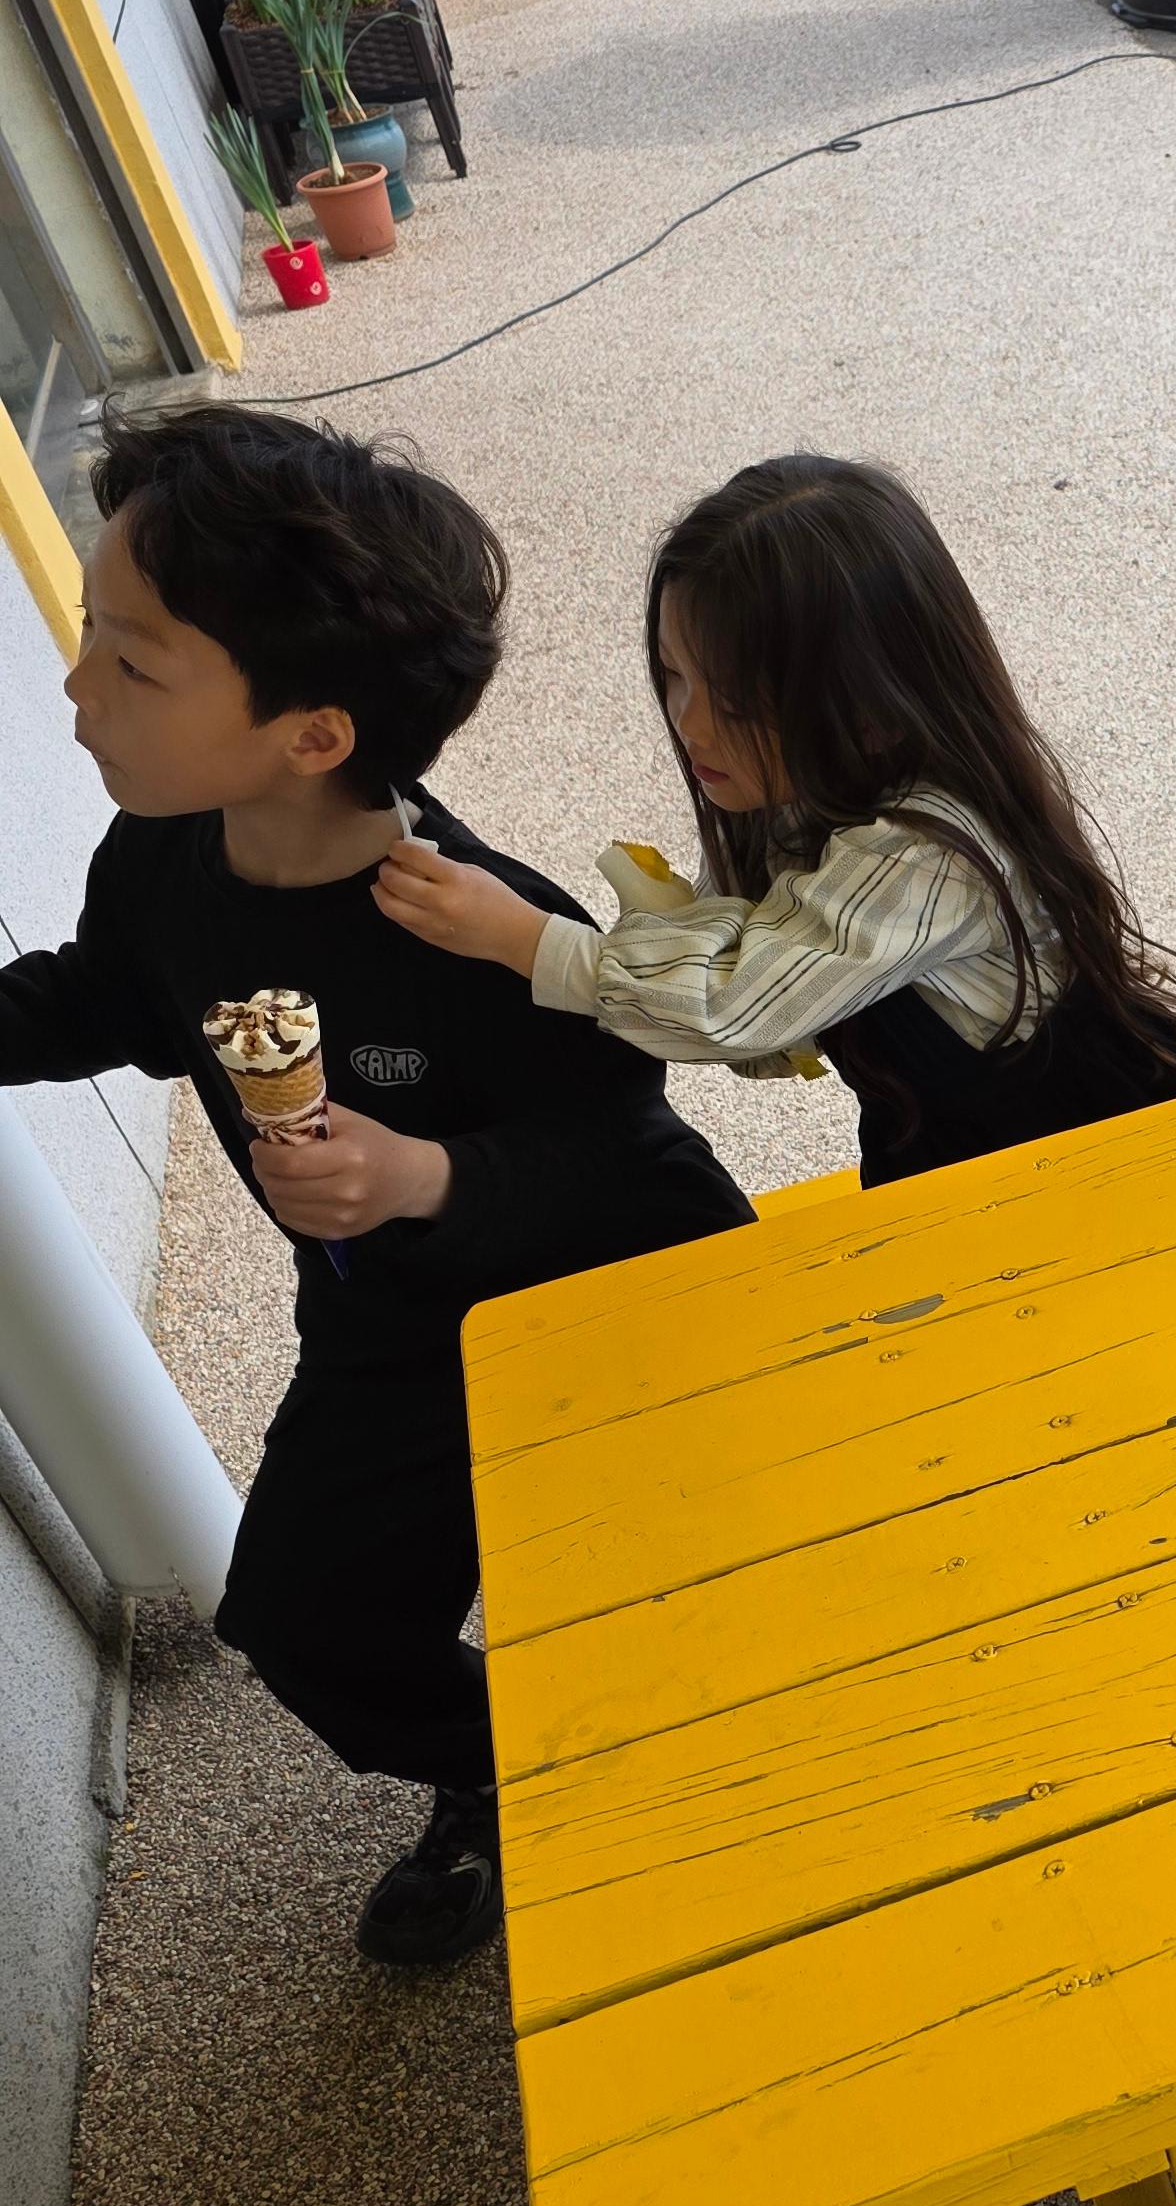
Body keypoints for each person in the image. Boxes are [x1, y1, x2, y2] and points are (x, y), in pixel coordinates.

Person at [0, 405, 753, 1968]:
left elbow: (621, 1137)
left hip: (619, 1296)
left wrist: (426, 1174)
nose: (77, 687)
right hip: (393, 1329)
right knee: (301, 1619)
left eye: (133, 662)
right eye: (89, 631)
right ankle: (510, 1771)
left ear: (314, 736)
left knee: (704, 1589)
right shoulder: (160, 859)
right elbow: (108, 1002)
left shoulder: (462, 917)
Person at [377, 455, 1176, 1187]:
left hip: (1119, 1158)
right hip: (960, 1160)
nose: (690, 722)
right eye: (673, 675)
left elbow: (736, 1006)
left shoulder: (924, 856)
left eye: (736, 700)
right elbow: (769, 1029)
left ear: (877, 701)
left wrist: (528, 941)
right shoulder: (801, 798)